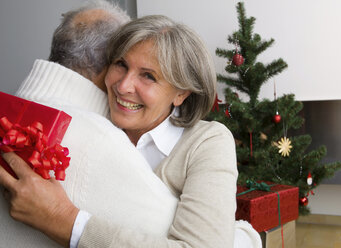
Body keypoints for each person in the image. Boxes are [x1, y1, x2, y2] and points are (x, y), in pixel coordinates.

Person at [1, 14, 262, 248]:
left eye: (148, 76)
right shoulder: (93, 127)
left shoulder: (206, 143)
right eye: (121, 65)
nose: (123, 86)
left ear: (181, 93)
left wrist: (66, 222)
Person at [0, 1, 178, 248]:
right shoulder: (99, 141)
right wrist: (247, 233)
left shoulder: (8, 114)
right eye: (123, 64)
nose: (127, 85)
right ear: (111, 64)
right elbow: (188, 237)